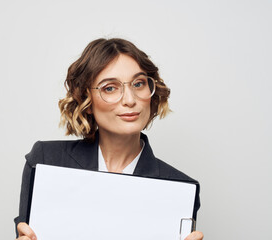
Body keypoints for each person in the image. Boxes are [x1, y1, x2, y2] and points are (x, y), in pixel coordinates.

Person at [14, 38, 204, 240]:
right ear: (86, 99)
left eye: (139, 84)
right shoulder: (46, 161)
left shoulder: (178, 188)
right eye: (110, 88)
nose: (130, 100)